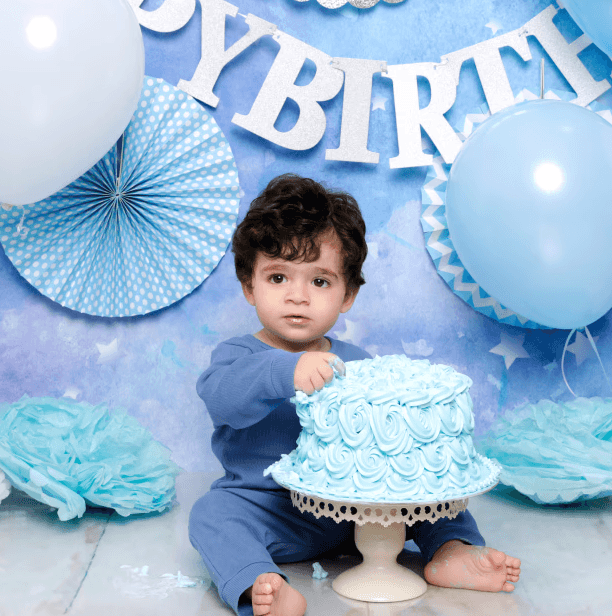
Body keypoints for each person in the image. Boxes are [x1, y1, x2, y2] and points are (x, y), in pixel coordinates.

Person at [189, 174, 520, 616]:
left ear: (348, 294)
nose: (298, 296)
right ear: (249, 285)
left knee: (431, 487)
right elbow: (222, 399)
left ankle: (451, 552)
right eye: (278, 277)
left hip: (362, 512)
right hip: (268, 510)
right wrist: (286, 370)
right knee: (211, 514)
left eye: (320, 281)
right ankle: (259, 582)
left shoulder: (357, 363)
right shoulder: (238, 357)